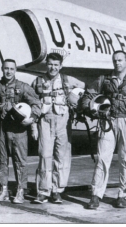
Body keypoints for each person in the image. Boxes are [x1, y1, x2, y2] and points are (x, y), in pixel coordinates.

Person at [81, 50, 126, 209]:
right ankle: (96, 195)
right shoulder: (104, 80)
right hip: (108, 121)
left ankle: (123, 195)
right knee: (102, 158)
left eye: (120, 60)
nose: (117, 63)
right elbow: (88, 95)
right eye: (115, 60)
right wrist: (90, 110)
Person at [31, 52, 85, 204]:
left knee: (62, 157)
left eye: (56, 65)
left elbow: (83, 87)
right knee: (44, 155)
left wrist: (75, 97)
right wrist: (33, 126)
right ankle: (43, 191)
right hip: (45, 120)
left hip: (63, 121)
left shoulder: (67, 80)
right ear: (46, 65)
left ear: (60, 66)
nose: (53, 67)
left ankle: (57, 190)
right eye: (50, 64)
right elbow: (32, 101)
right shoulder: (38, 81)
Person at [0, 59, 41, 204]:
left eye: (11, 69)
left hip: (17, 128)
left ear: (15, 70)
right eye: (6, 68)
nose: (8, 71)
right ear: (2, 69)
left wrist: (32, 119)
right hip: (0, 126)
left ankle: (21, 190)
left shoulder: (22, 87)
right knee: (0, 158)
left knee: (20, 160)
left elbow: (36, 103)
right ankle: (3, 189)